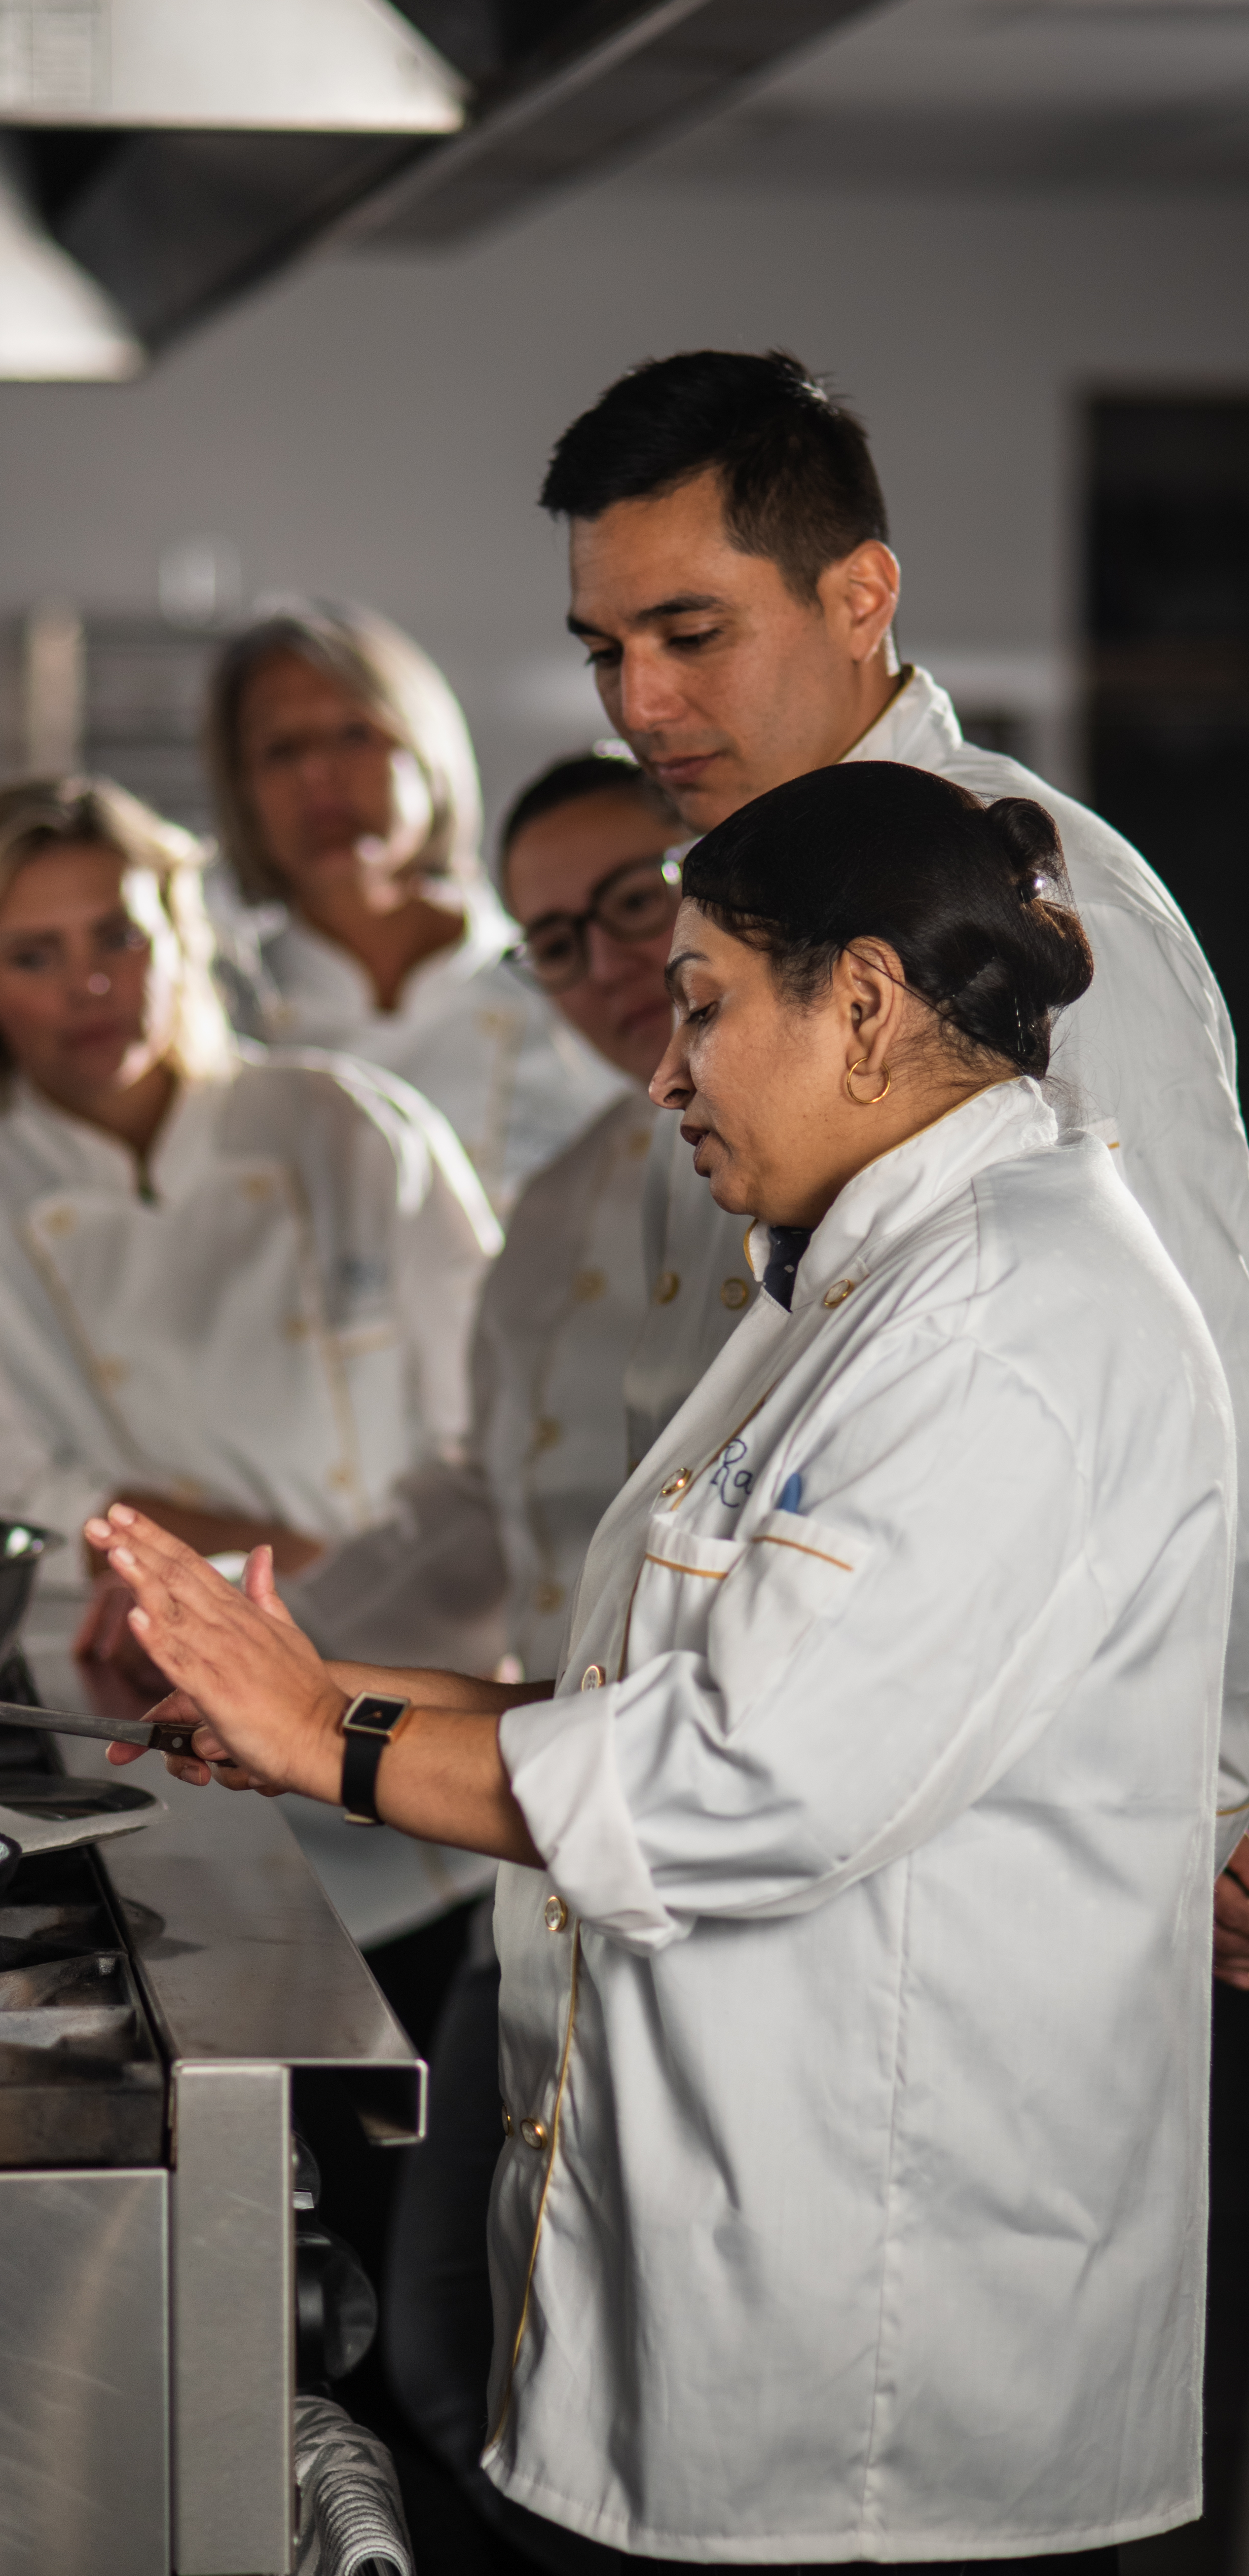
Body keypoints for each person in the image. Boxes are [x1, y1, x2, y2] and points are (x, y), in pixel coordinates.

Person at [92, 761, 1231, 2576]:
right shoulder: (865, 1282)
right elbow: (652, 1679)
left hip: (884, 2360)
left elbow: (739, 1772)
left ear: (860, 1000)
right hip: (751, 2274)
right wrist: (317, 1701)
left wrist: (327, 1730)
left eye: (701, 1003)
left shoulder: (1012, 1322)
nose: (661, 1066)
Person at [539, 349, 1249, 1869]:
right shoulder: (741, 892)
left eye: (689, 633)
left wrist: (1221, 1783)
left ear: (860, 596)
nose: (641, 704)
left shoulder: (1036, 907)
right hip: (736, 1768)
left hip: (995, 1805)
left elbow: (1195, 1352)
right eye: (605, 649)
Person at [0, 772, 501, 1951]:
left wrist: (324, 1606)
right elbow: (20, 1501)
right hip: (156, 1759)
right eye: (32, 954)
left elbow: (490, 1433)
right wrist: (284, 1587)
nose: (90, 985)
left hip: (438, 1752)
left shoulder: (354, 1127)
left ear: (181, 934)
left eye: (116, 934)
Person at [283, 748, 745, 1684]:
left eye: (631, 901)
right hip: (564, 1756)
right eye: (555, 943)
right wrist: (277, 1631)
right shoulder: (552, 1208)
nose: (605, 965)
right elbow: (490, 1503)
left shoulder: (811, 1172)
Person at [204, 600, 621, 1214]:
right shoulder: (216, 1022)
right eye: (280, 750)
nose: (318, 774)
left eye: (354, 734)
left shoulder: (577, 984)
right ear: (240, 791)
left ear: (428, 752)